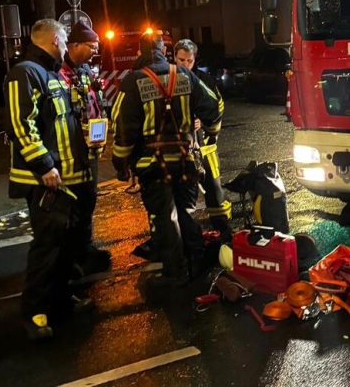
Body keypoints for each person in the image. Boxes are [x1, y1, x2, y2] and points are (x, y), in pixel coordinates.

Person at [4, 19, 96, 341]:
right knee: (47, 249)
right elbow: (20, 125)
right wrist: (44, 166)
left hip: (68, 180)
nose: (66, 43)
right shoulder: (25, 73)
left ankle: (59, 301)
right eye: (65, 39)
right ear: (56, 39)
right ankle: (35, 313)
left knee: (67, 247)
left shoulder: (53, 73)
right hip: (46, 182)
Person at [111, 34, 223, 286]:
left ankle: (174, 273)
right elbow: (212, 108)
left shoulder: (134, 81)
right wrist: (211, 135)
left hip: (153, 165)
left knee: (164, 216)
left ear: (140, 51)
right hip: (185, 161)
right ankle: (196, 262)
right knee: (186, 211)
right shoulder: (184, 75)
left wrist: (121, 165)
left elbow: (123, 127)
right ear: (164, 50)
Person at [61, 21, 112, 275]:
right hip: (71, 153)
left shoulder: (86, 71)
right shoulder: (59, 74)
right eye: (92, 46)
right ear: (75, 45)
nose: (95, 50)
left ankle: (86, 249)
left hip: (90, 149)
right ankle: (73, 257)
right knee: (74, 206)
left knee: (89, 200)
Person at [173, 39, 234, 242]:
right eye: (181, 60)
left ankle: (223, 228)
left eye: (189, 61)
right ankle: (185, 235)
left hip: (205, 145)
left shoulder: (203, 79)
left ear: (194, 59)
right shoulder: (169, 80)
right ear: (174, 57)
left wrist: (207, 128)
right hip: (180, 147)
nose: (185, 65)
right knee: (182, 194)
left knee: (214, 189)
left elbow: (218, 107)